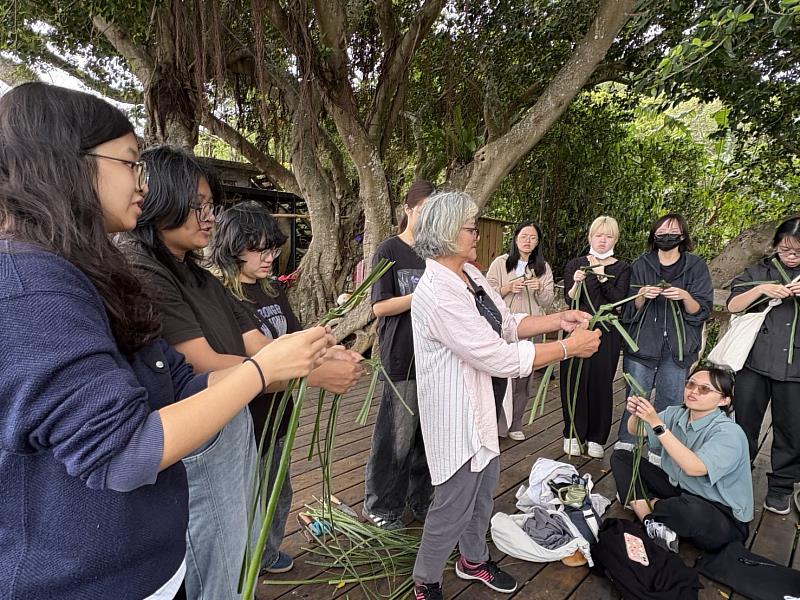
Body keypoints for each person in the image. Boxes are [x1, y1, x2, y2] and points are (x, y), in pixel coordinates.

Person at [0, 83, 329, 600]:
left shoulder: (88, 267)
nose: (141, 183)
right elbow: (124, 450)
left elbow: (177, 377)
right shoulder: (29, 285)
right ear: (70, 163)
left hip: (149, 559)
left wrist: (289, 362)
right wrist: (263, 372)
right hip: (86, 578)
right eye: (132, 163)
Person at [120, 146, 357, 599]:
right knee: (210, 572)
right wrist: (309, 372)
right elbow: (202, 365)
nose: (209, 217)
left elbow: (258, 348)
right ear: (158, 198)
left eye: (212, 206)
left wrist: (318, 353)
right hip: (196, 449)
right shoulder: (141, 269)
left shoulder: (200, 277)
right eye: (199, 205)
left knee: (232, 561)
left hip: (234, 434)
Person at [409, 191, 601, 600]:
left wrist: (557, 320)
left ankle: (472, 559)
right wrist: (569, 348)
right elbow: (496, 355)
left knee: (483, 492)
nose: (477, 235)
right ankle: (426, 579)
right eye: (470, 228)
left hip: (484, 405)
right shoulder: (438, 292)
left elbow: (506, 322)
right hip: (456, 414)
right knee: (454, 500)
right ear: (445, 233)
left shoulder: (471, 275)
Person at [208, 199, 365, 566]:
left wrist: (335, 351)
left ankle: (264, 552)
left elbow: (297, 341)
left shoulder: (272, 289)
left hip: (282, 412)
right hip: (248, 418)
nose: (269, 257)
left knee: (278, 490)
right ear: (233, 247)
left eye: (272, 249)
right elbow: (262, 353)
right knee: (247, 493)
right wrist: (320, 369)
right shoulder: (226, 295)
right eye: (258, 249)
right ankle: (243, 560)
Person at [611, 366, 752, 553]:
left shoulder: (729, 433)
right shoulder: (676, 413)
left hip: (721, 514)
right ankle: (650, 521)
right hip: (680, 490)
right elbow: (636, 430)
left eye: (704, 389)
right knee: (621, 457)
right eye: (691, 384)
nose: (694, 391)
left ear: (724, 400)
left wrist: (657, 424)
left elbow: (695, 468)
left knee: (691, 511)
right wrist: (637, 413)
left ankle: (645, 503)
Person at [363, 180, 434, 531]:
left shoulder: (436, 252)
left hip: (435, 360)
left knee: (428, 436)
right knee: (397, 437)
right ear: (407, 209)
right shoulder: (388, 250)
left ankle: (420, 501)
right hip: (400, 358)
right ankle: (382, 506)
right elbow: (380, 306)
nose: (427, 218)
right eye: (423, 211)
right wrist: (420, 296)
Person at [616, 213, 713, 463]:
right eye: (662, 230)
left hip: (678, 348)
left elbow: (702, 309)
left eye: (673, 230)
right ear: (654, 234)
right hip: (642, 346)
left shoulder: (695, 266)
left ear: (683, 236)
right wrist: (642, 296)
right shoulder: (641, 264)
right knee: (636, 399)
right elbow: (627, 309)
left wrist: (683, 296)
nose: (667, 234)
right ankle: (628, 444)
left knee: (670, 402)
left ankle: (659, 451)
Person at [727, 216, 800, 514]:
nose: (791, 256)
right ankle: (736, 476)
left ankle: (781, 487)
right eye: (785, 250)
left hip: (795, 364)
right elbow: (732, 304)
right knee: (744, 422)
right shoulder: (761, 270)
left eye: (797, 251)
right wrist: (761, 290)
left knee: (791, 428)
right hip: (754, 362)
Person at [560, 216, 631, 458]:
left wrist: (601, 276)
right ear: (590, 237)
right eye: (598, 235)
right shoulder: (576, 264)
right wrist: (577, 283)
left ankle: (596, 438)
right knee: (573, 380)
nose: (603, 240)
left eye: (608, 236)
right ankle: (572, 433)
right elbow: (570, 299)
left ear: (615, 239)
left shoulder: (622, 267)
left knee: (601, 382)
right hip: (577, 328)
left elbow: (617, 300)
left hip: (606, 330)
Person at [486, 220, 555, 441]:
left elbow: (548, 301)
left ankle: (515, 423)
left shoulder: (542, 268)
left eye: (532, 238)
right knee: (500, 377)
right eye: (524, 236)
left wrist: (540, 288)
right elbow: (486, 293)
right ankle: (494, 424)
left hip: (531, 327)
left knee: (524, 377)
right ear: (515, 238)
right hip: (503, 328)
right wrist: (508, 288)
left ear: (538, 242)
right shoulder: (501, 263)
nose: (528, 241)